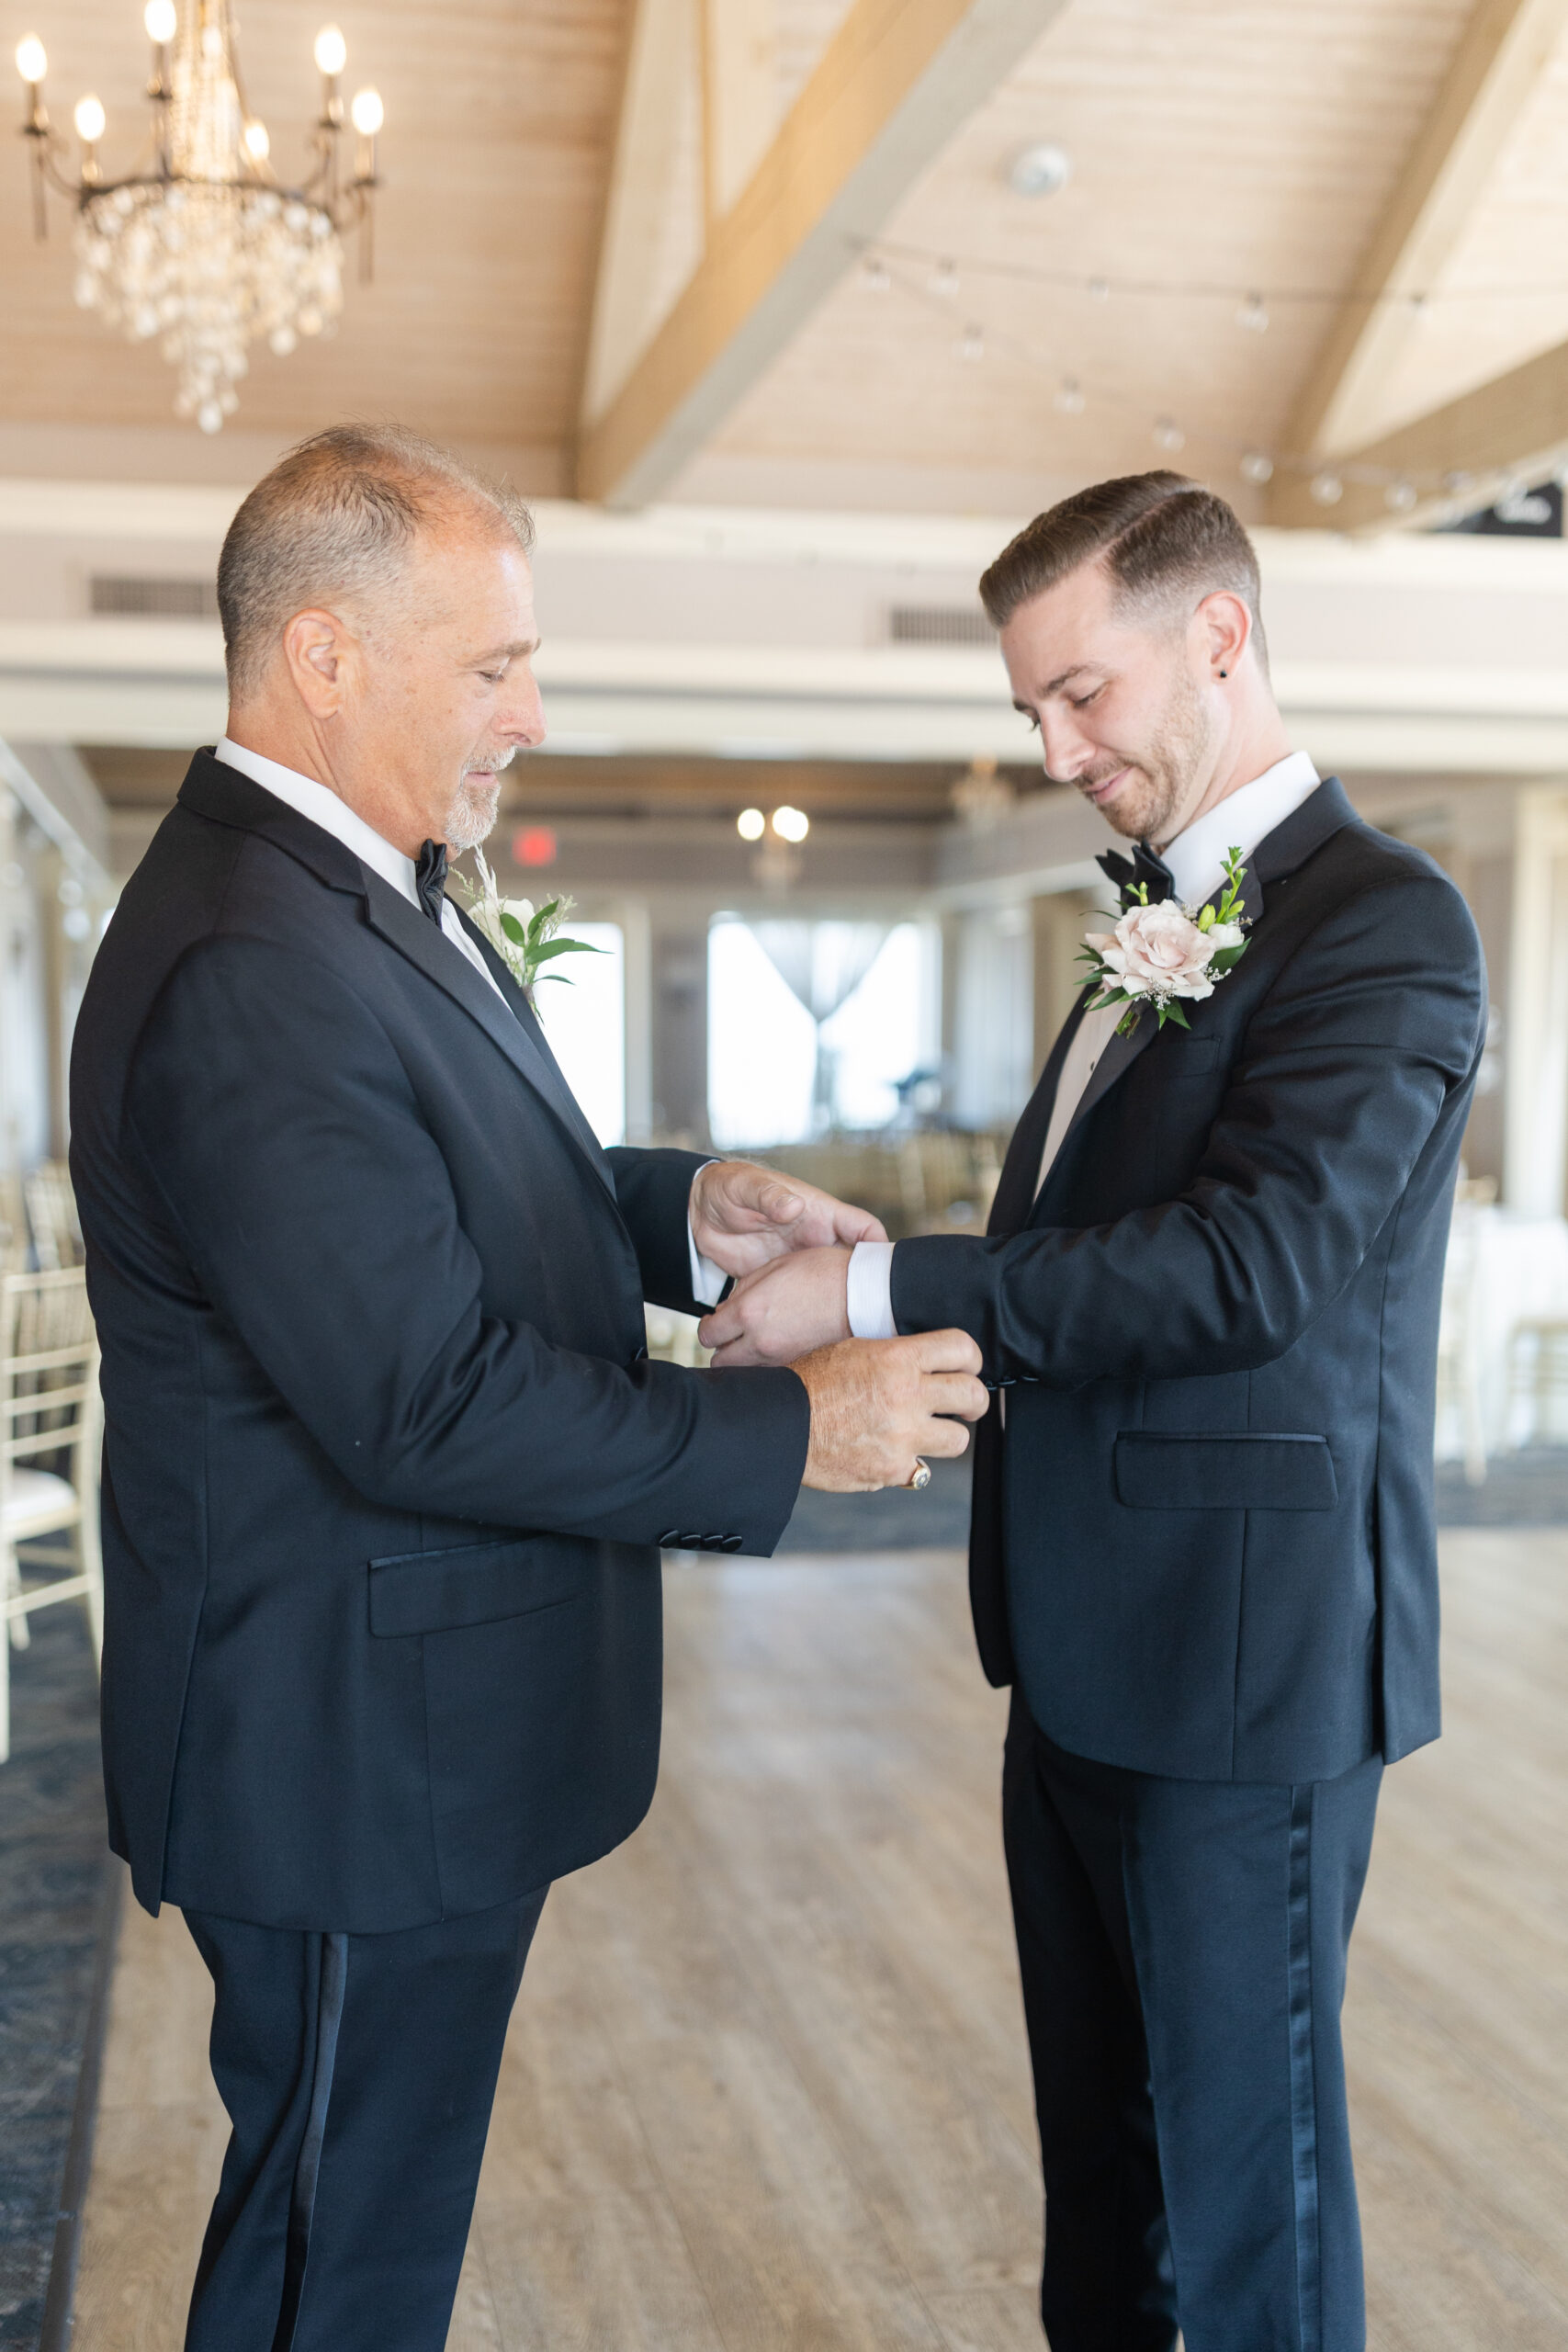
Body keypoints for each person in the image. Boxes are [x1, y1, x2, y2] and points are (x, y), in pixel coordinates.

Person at [68, 422, 987, 2352]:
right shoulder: (251, 954)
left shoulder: (352, 891)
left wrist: (678, 1210)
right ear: (327, 656)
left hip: (395, 1732)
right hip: (340, 1751)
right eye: (493, 664)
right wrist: (790, 1425)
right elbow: (418, 1396)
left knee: (367, 2220)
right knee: (338, 2246)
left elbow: (455, 1199)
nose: (532, 709)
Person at [701, 472, 1487, 2352]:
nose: (1051, 749)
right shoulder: (1155, 916)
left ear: (1217, 633)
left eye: (1079, 694)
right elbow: (1089, 1246)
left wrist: (881, 1290)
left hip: (1243, 1668)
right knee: (1106, 2182)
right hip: (1072, 1652)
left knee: (1247, 2205)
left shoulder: (1383, 923)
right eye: (1026, 711)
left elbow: (1240, 1271)